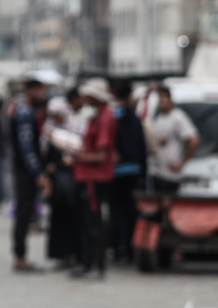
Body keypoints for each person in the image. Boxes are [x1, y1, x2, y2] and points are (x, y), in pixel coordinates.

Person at [73, 78, 117, 279]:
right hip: (86, 176)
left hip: (95, 178)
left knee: (94, 223)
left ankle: (97, 265)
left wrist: (78, 155)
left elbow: (101, 155)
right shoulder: (96, 116)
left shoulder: (106, 118)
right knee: (86, 223)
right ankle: (88, 262)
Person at [10, 79, 50, 270]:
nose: (43, 92)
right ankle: (20, 256)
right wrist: (38, 173)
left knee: (25, 213)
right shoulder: (25, 112)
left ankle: (20, 255)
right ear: (31, 90)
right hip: (25, 173)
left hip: (24, 171)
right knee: (23, 213)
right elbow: (26, 148)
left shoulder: (27, 111)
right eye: (40, 89)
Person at [44, 90, 87, 267]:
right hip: (58, 177)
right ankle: (61, 255)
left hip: (73, 175)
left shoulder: (77, 123)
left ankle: (74, 253)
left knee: (74, 215)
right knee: (58, 216)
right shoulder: (51, 126)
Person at [110, 79, 147, 265]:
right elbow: (142, 147)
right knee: (131, 214)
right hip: (133, 171)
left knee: (115, 213)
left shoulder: (112, 117)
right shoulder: (135, 119)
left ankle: (117, 251)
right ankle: (131, 252)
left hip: (116, 173)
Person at [148, 86, 199, 195]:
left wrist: (182, 163)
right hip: (157, 171)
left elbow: (194, 140)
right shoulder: (159, 117)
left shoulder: (178, 117)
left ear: (170, 99)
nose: (161, 100)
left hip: (170, 174)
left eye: (164, 97)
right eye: (159, 97)